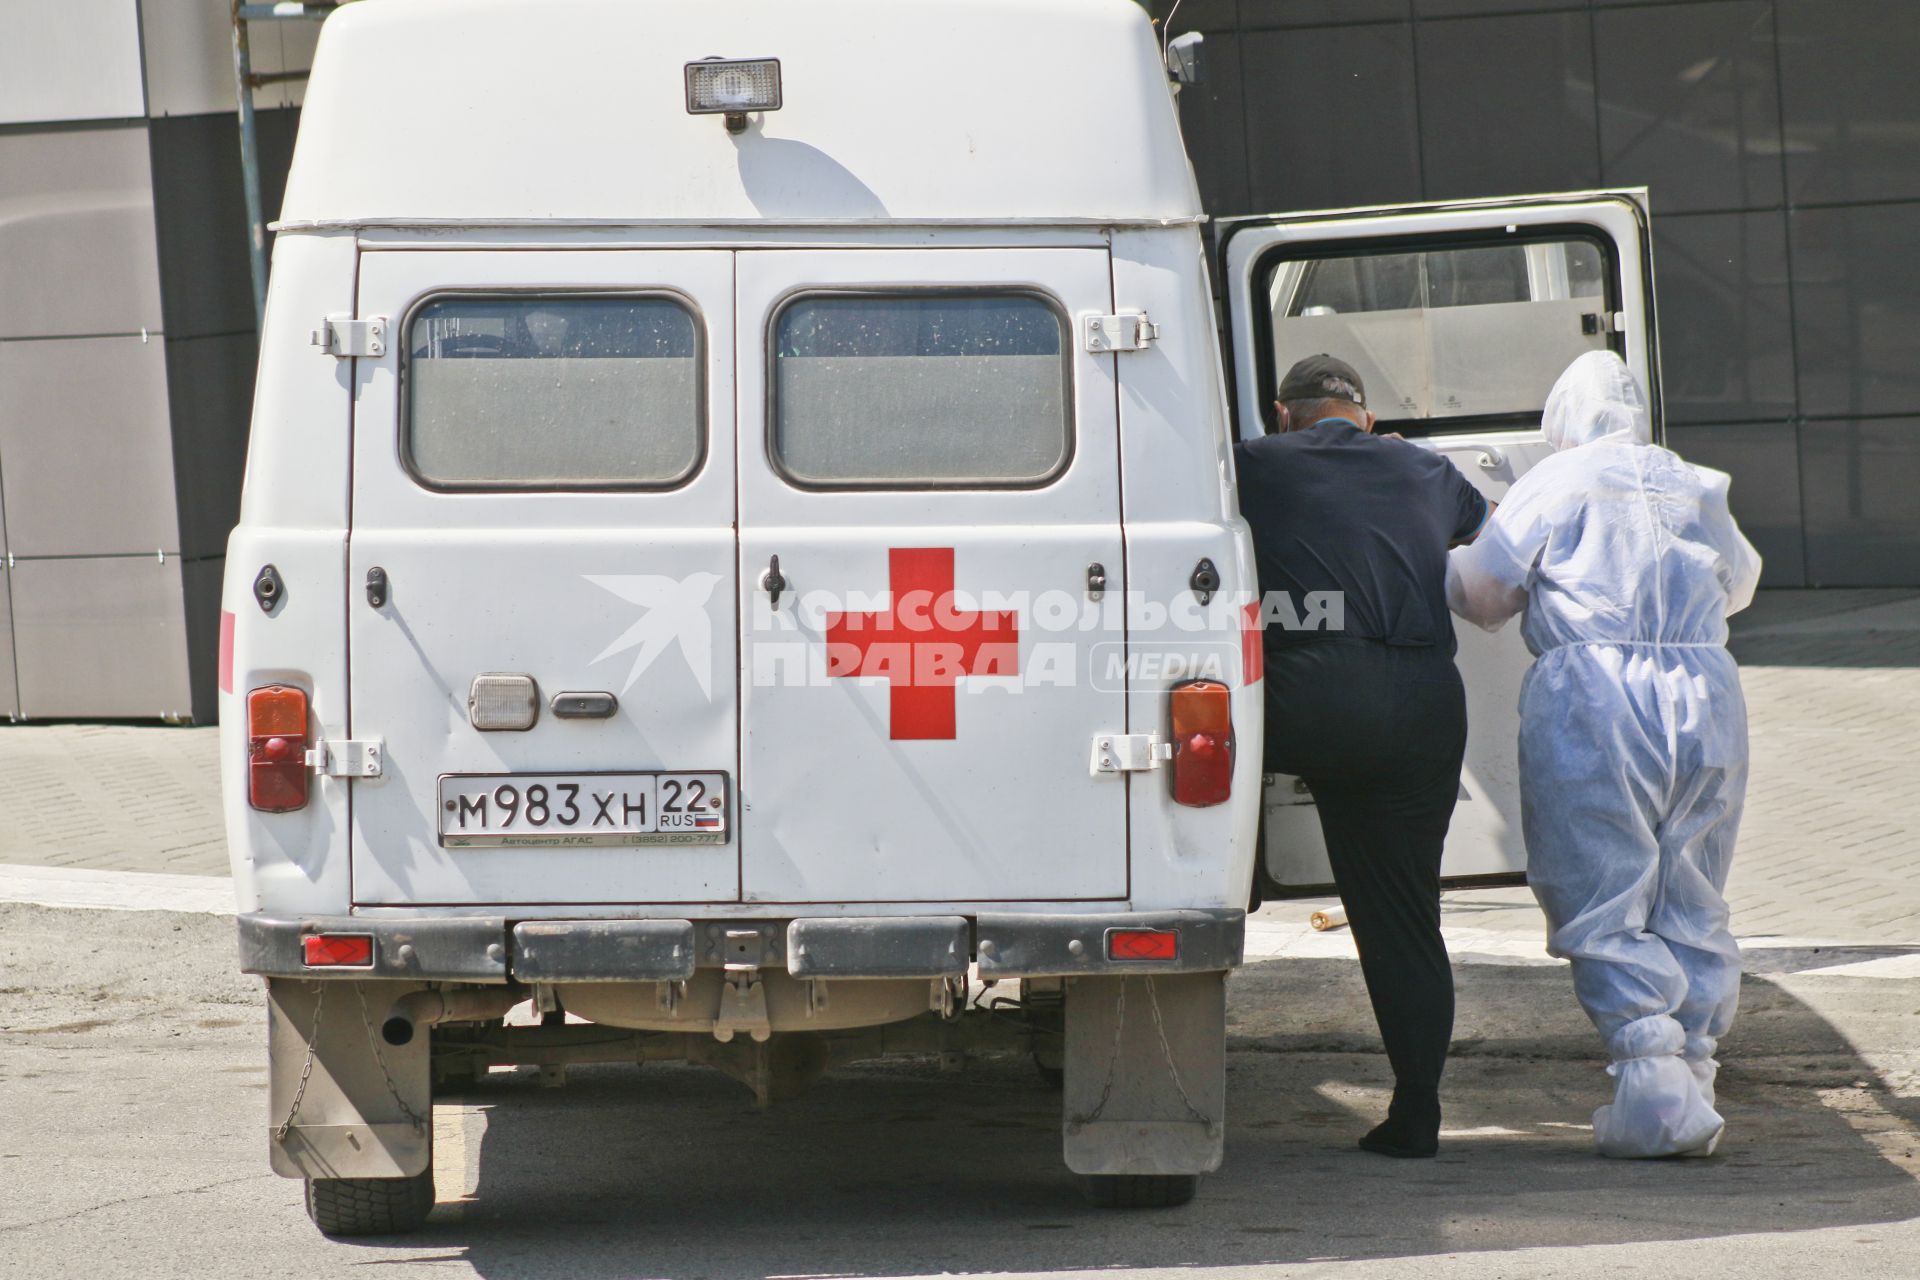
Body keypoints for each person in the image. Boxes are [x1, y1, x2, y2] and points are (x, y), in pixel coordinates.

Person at [1446, 350, 1761, 1159]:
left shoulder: (1558, 479)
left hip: (1595, 692)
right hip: (1705, 686)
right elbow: (1742, 584)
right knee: (1689, 878)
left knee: (1598, 881)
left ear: (1563, 419)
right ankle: (1693, 1069)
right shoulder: (1700, 482)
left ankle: (1653, 1085)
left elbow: (1484, 592)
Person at [1235, 354, 1492, 1159]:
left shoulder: (1248, 462)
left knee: (1174, 776)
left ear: (1285, 413)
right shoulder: (1424, 467)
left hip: (1302, 694)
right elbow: (1473, 528)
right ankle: (1417, 1110)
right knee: (1404, 920)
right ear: (1366, 417)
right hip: (1418, 701)